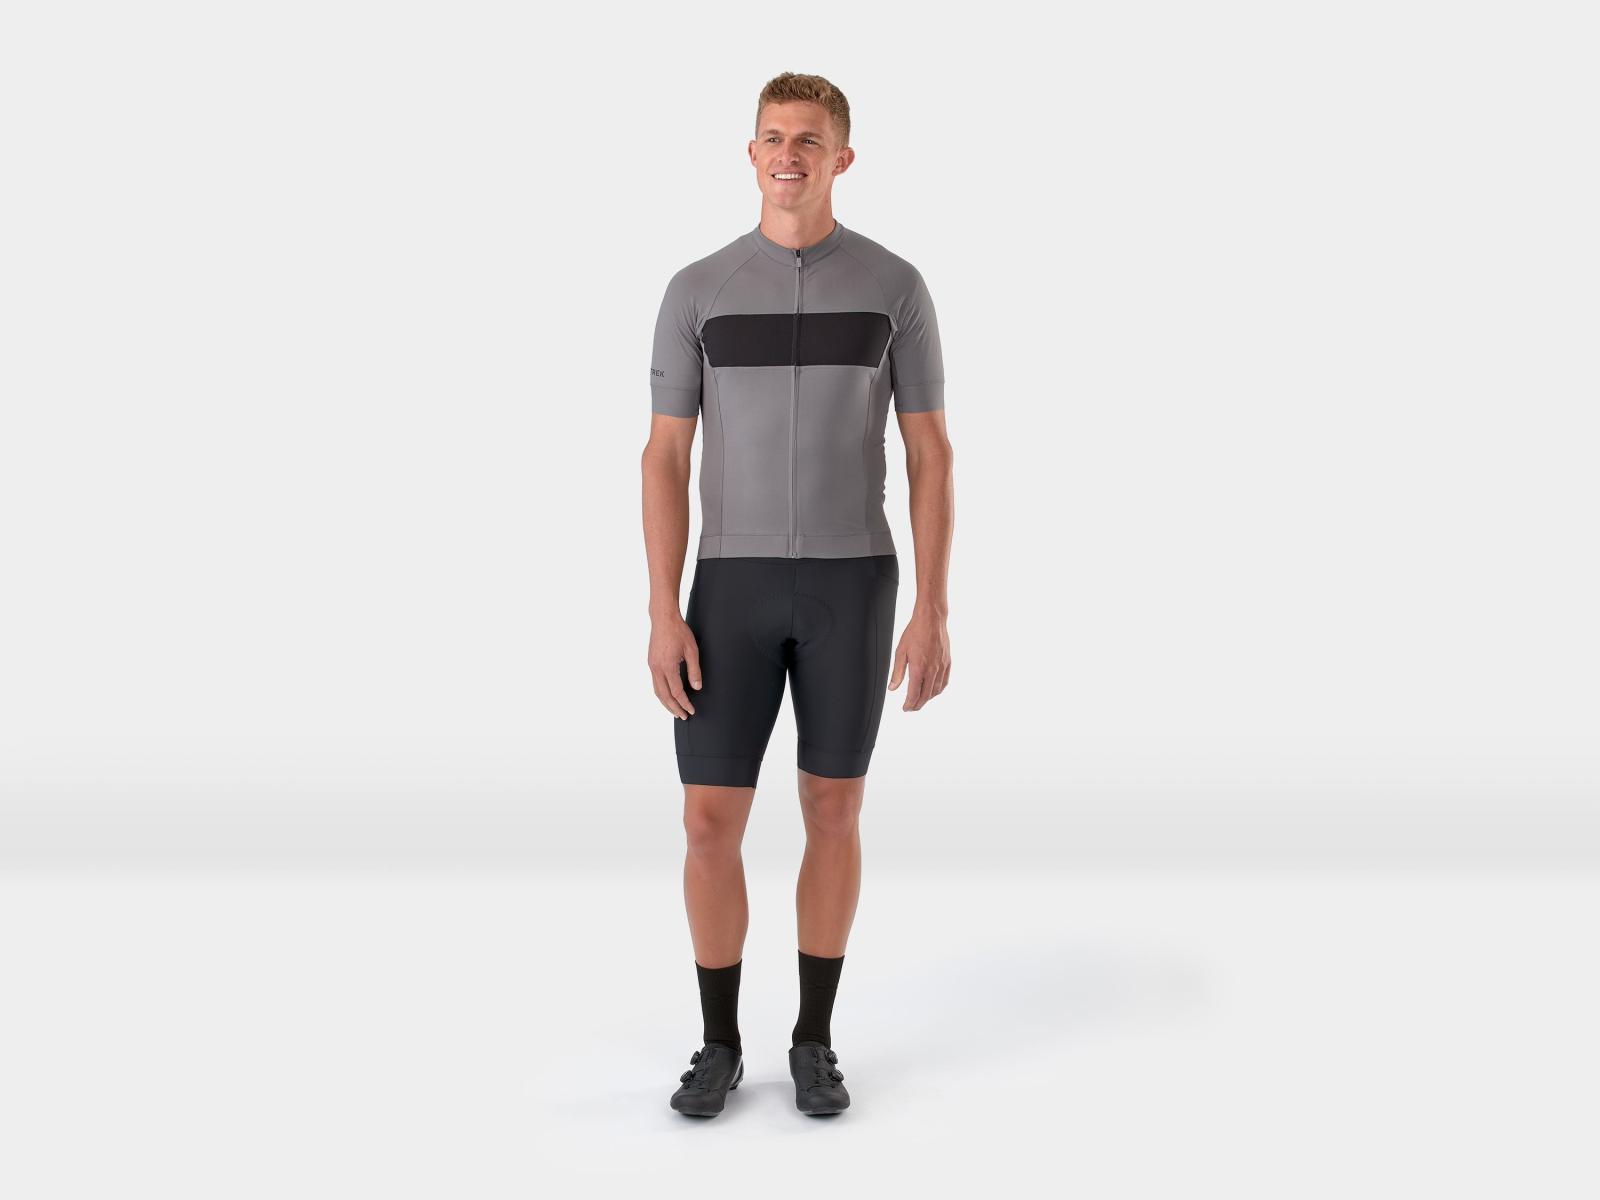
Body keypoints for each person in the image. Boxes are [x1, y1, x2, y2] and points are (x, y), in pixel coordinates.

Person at [641, 71, 955, 1118]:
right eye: (773, 137)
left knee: (833, 807)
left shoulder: (895, 287)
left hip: (851, 582)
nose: (789, 154)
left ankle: (814, 1041)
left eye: (809, 139)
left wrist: (932, 608)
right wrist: (663, 610)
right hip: (727, 587)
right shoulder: (697, 290)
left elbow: (930, 454)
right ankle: (718, 1044)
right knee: (706, 822)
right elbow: (663, 456)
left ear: (841, 158)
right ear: (751, 154)